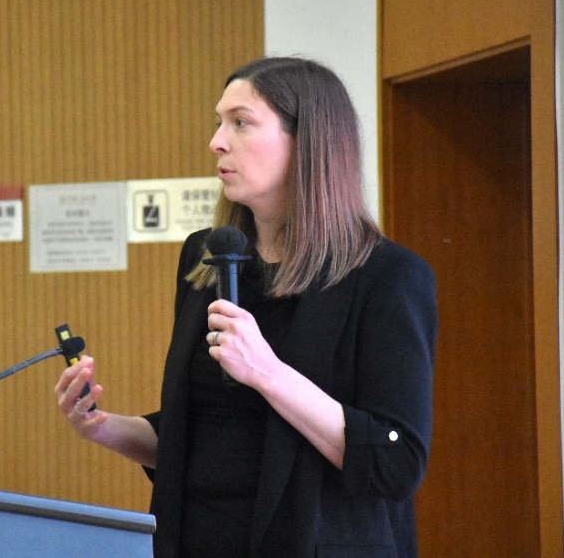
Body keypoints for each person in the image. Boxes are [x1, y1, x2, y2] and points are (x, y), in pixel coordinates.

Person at [55, 56, 437, 557]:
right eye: (219, 122)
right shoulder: (207, 257)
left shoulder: (388, 277)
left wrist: (267, 373)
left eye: (240, 122)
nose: (217, 141)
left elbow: (396, 462)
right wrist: (103, 427)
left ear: (307, 142)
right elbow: (200, 435)